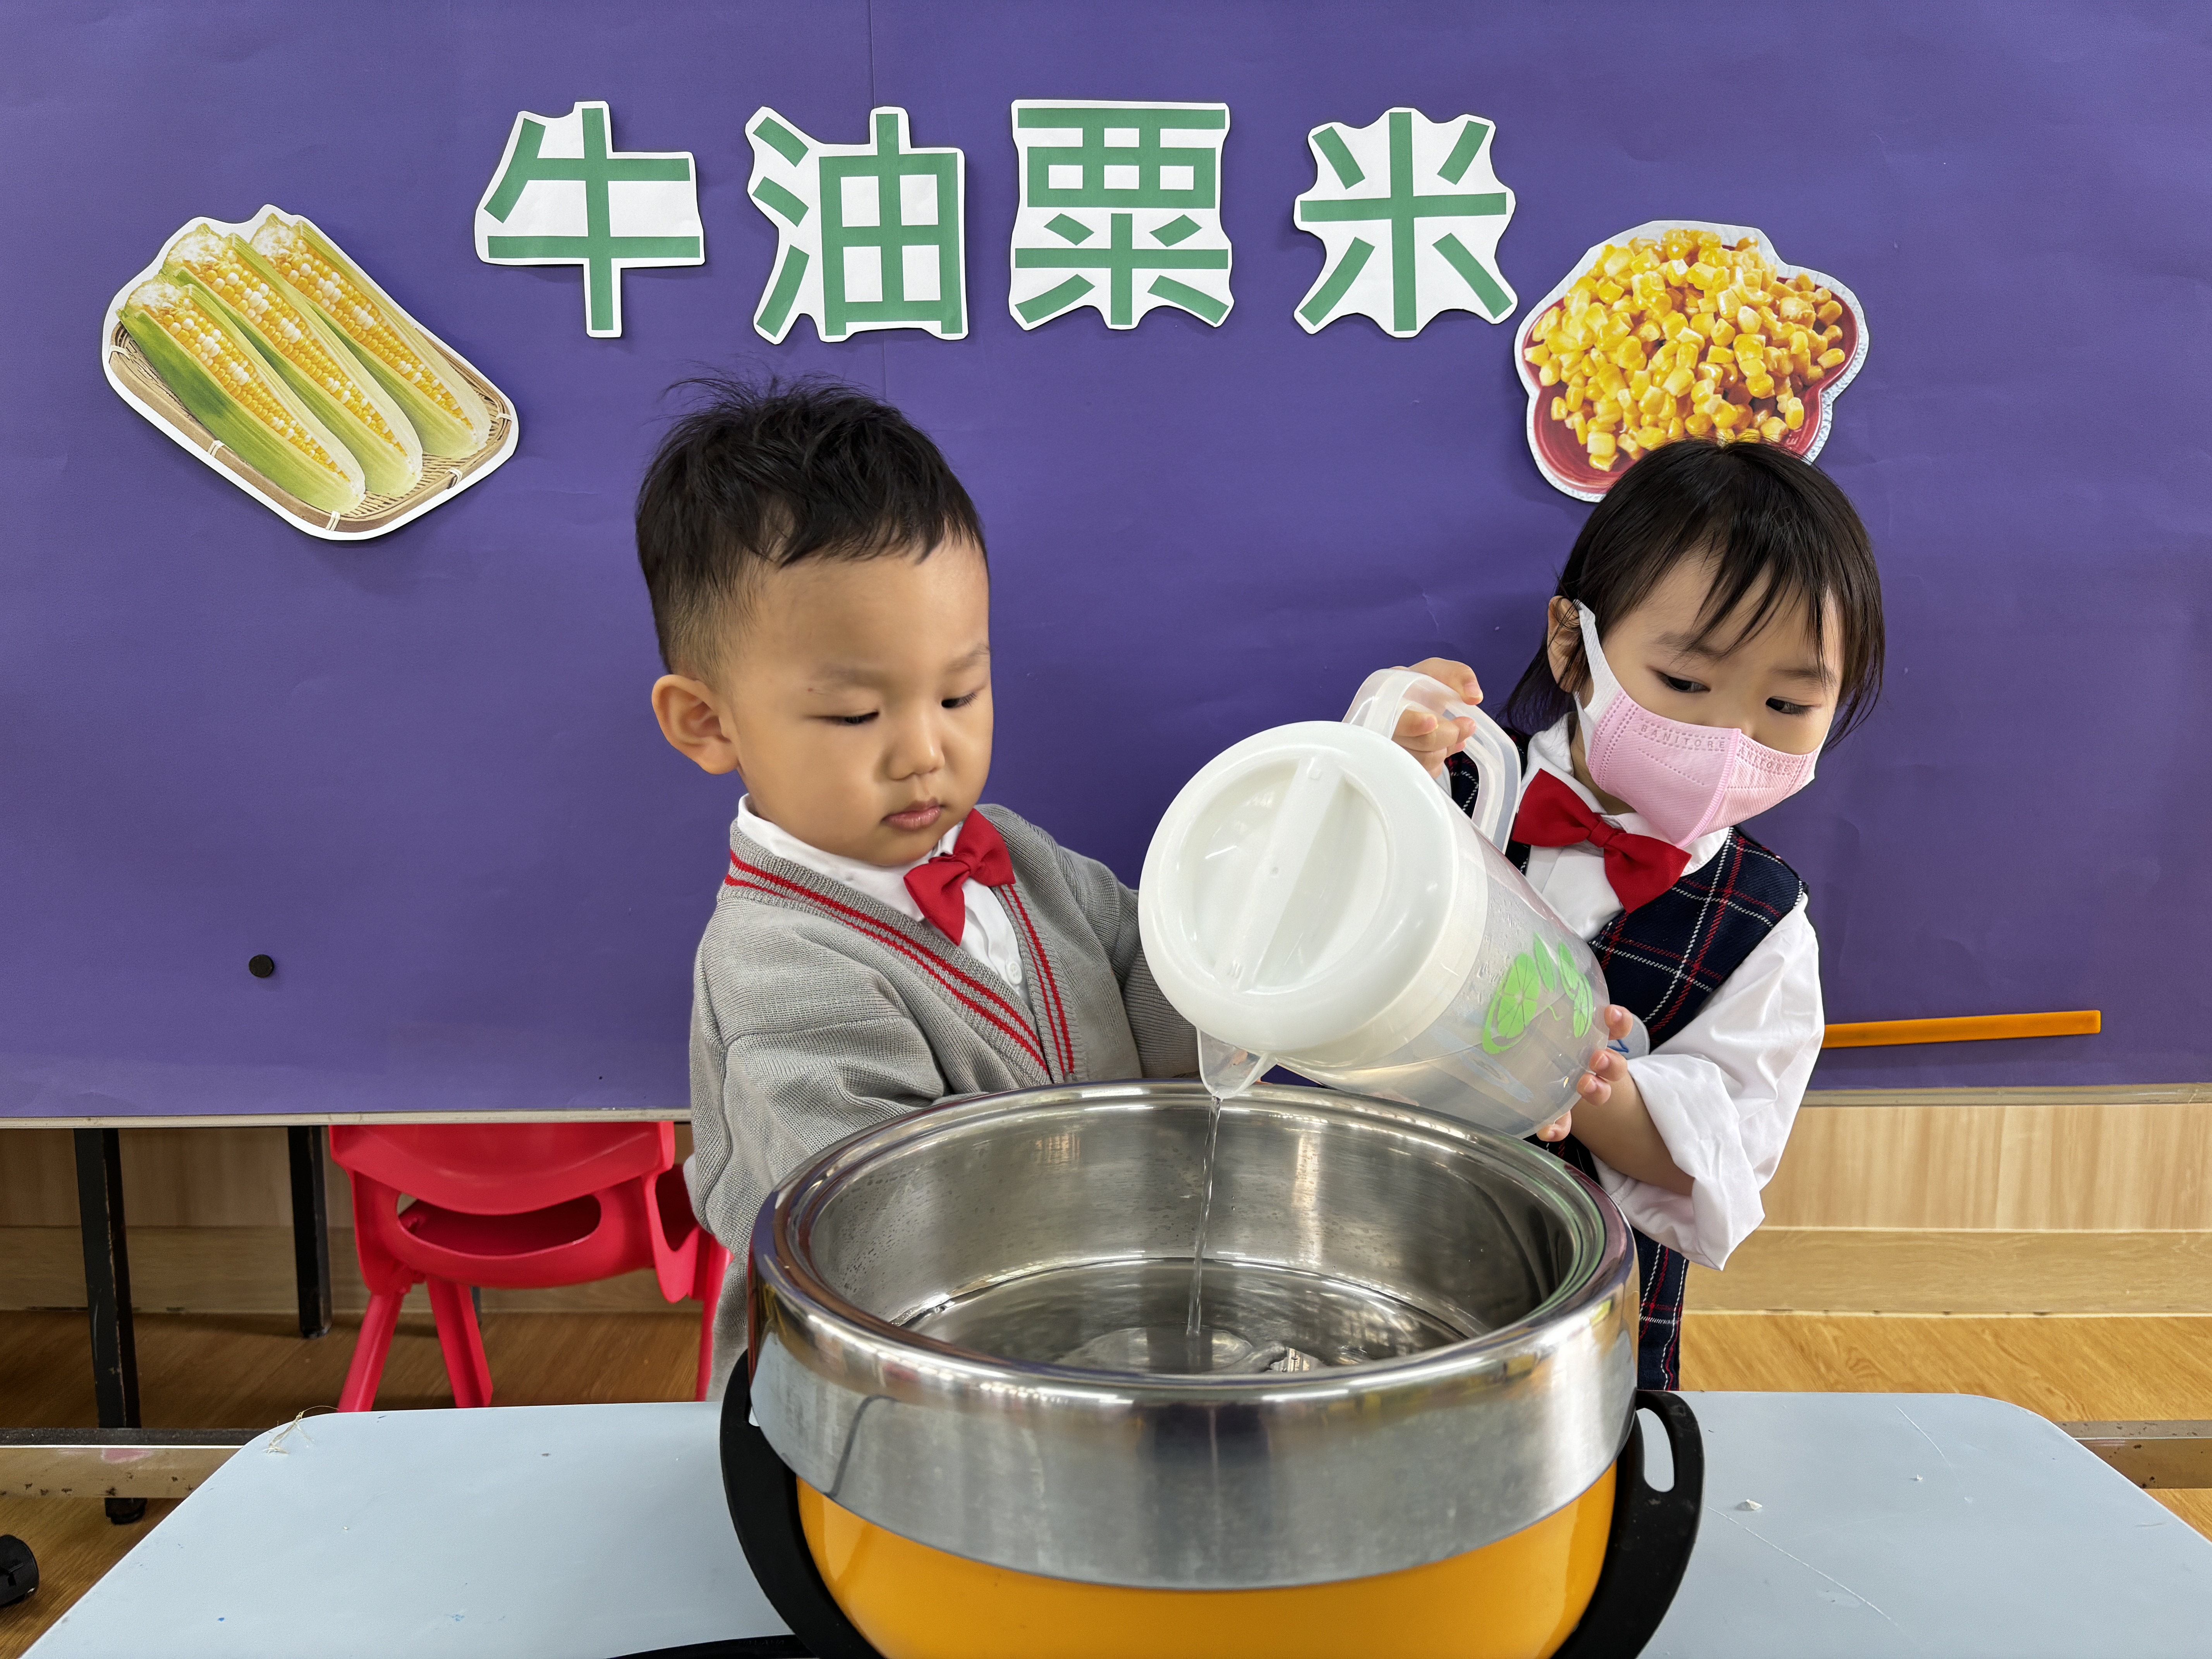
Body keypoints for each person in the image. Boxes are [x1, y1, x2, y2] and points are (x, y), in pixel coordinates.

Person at [637, 377, 1196, 1395]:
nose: (925, 753)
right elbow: (899, 1238)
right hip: (883, 1403)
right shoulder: (778, 972)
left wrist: (1315, 851)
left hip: (1075, 1341)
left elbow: (1174, 989)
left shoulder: (1013, 854)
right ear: (708, 723)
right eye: (856, 715)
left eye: (959, 693)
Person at [1388, 439, 1884, 1389]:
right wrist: (1383, 770)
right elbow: (1304, 924)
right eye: (1687, 685)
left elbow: (1718, 1157)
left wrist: (1582, 1078)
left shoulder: (1766, 926)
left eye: (1787, 703)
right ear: (1572, 644)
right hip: (1383, 1250)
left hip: (1584, 1325)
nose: (1729, 735)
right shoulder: (1450, 786)